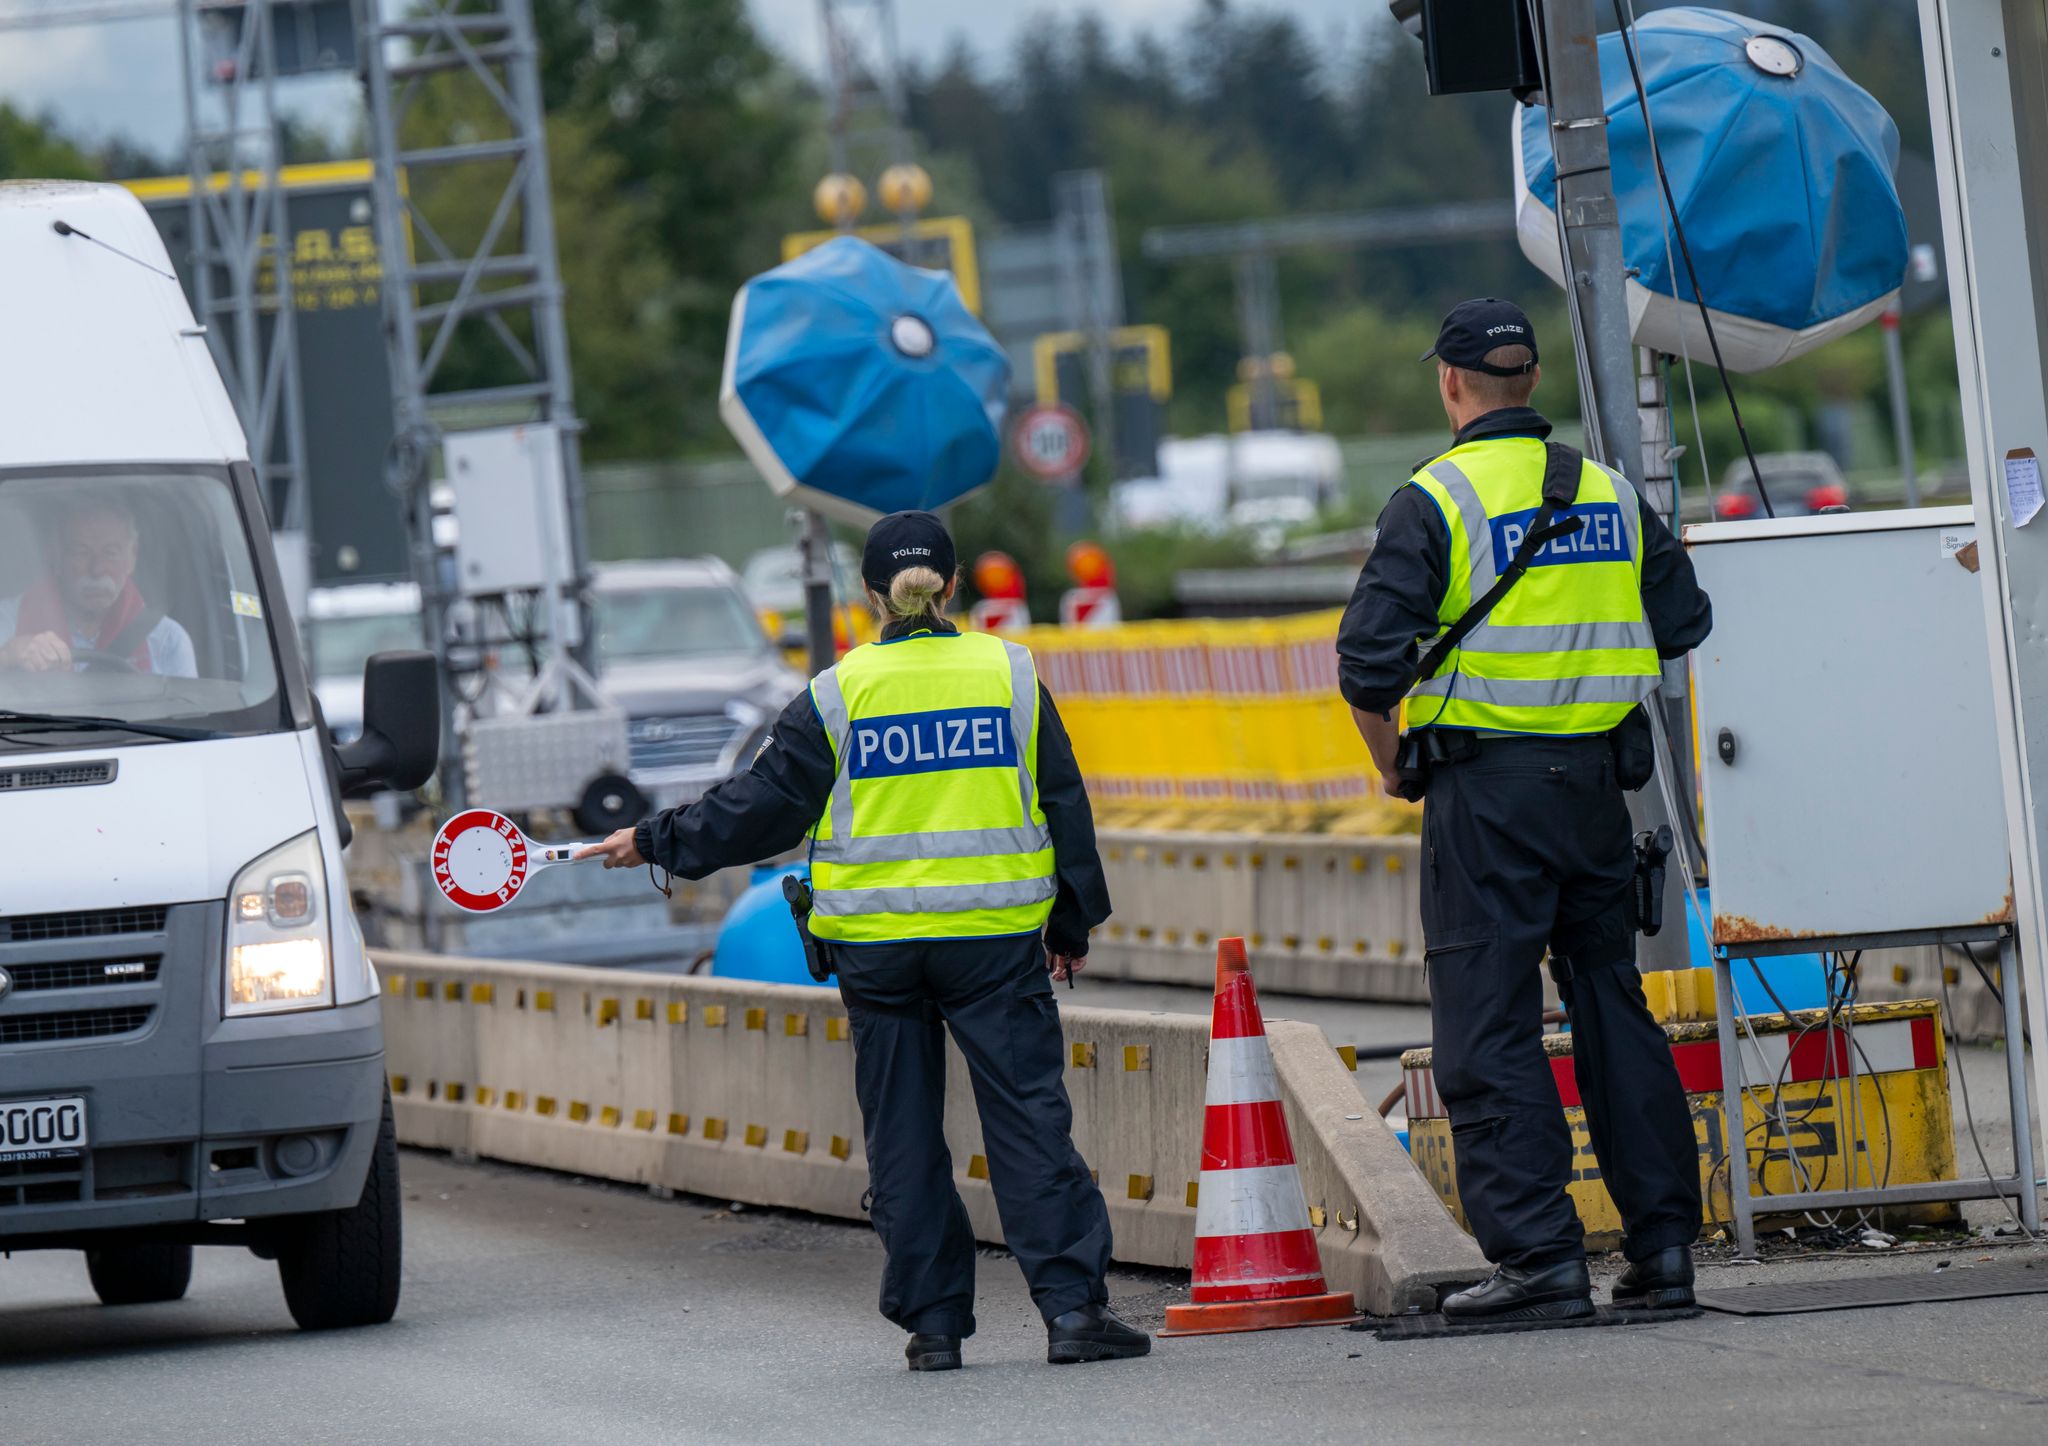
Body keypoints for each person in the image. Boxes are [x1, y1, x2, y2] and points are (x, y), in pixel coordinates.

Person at [578, 510, 1149, 1371]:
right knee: (1028, 1124)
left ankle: (934, 1327)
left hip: (878, 956)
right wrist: (1070, 925)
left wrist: (656, 839)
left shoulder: (839, 693)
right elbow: (1063, 803)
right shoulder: (1010, 673)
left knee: (903, 1137)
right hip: (993, 946)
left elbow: (759, 808)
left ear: (871, 594)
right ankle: (1073, 1313)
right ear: (953, 584)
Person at [1337, 298, 1713, 1321]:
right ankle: (1663, 1250)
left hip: (1486, 797)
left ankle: (1541, 1257)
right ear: (1531, 380)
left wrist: (1394, 768)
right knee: (1612, 1007)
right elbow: (1684, 620)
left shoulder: (1433, 499)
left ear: (1449, 383)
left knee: (1488, 1021)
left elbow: (1366, 667)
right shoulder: (1609, 491)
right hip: (1596, 792)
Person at [0, 495, 196, 677]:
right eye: (81, 552)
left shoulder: (167, 641)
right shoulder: (7, 620)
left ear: (132, 557)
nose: (97, 569)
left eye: (110, 553)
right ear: (56, 556)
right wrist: (9, 655)